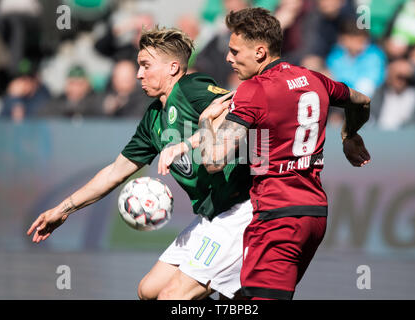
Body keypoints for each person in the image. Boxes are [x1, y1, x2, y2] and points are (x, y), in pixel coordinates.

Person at [27, 27, 253, 300]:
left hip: (239, 210)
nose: (138, 74)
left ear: (172, 68)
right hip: (209, 215)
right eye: (138, 66)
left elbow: (235, 108)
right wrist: (63, 210)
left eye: (146, 66)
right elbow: (114, 172)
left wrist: (189, 142)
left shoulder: (191, 88)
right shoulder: (153, 120)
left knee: (173, 298)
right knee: (148, 291)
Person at [198, 8, 371, 300]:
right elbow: (361, 101)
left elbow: (214, 162)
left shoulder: (253, 90)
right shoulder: (314, 79)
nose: (228, 58)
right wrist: (350, 134)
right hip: (314, 214)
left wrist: (205, 123)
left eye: (235, 51)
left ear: (260, 52)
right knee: (243, 297)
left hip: (278, 218)